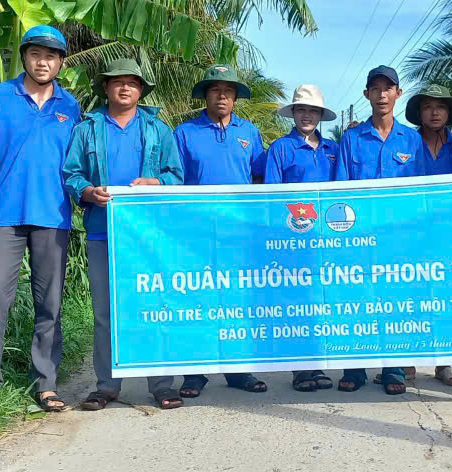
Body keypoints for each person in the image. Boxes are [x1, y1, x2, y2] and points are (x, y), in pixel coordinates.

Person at [0, 25, 80, 412]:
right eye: (35, 54)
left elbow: (79, 164)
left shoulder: (70, 107)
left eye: (51, 56)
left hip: (53, 215)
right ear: (25, 57)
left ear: (61, 62)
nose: (42, 62)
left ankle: (46, 383)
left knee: (50, 302)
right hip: (2, 215)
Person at [63, 59, 186, 411]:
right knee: (106, 312)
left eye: (133, 83)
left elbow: (176, 176)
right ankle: (106, 385)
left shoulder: (158, 130)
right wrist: (87, 192)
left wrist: (156, 182)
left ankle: (162, 384)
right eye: (118, 82)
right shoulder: (87, 128)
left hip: (148, 235)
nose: (125, 88)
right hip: (103, 232)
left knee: (154, 306)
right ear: (106, 88)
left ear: (141, 90)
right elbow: (71, 174)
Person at [173, 65, 269, 398]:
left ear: (236, 97)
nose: (222, 96)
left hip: (238, 232)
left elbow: (262, 175)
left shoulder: (250, 131)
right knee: (198, 298)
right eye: (215, 90)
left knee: (237, 300)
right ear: (206, 95)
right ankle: (194, 372)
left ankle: (237, 369)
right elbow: (175, 180)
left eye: (229, 90)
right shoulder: (185, 133)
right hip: (197, 232)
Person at [334, 65, 424, 395]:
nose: (382, 94)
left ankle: (394, 369)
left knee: (395, 302)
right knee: (356, 301)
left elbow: (422, 193)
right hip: (358, 238)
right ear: (366, 95)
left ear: (399, 94)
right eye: (376, 88)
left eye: (389, 88)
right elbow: (340, 190)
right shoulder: (351, 139)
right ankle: (354, 368)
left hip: (398, 239)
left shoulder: (412, 140)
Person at [263, 84, 340, 392]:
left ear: (320, 115)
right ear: (293, 113)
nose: (307, 115)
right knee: (298, 304)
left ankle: (319, 365)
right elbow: (271, 195)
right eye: (301, 110)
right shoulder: (280, 148)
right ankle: (300, 369)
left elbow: (343, 190)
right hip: (293, 239)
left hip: (328, 238)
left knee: (322, 303)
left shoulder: (333, 149)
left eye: (313, 111)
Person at [403, 84, 452, 387]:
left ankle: (444, 361)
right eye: (428, 106)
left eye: (440, 106)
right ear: (419, 112)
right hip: (411, 230)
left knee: (445, 295)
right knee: (411, 294)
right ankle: (409, 359)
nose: (434, 112)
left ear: (448, 112)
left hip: (449, 232)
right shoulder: (404, 141)